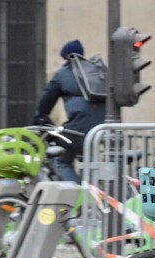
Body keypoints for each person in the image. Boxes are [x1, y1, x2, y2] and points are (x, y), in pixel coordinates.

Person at [33, 39, 105, 183]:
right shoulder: (96, 72)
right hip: (104, 129)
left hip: (79, 130)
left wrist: (37, 121)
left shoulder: (63, 73)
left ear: (65, 57)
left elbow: (44, 106)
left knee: (61, 161)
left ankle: (79, 199)